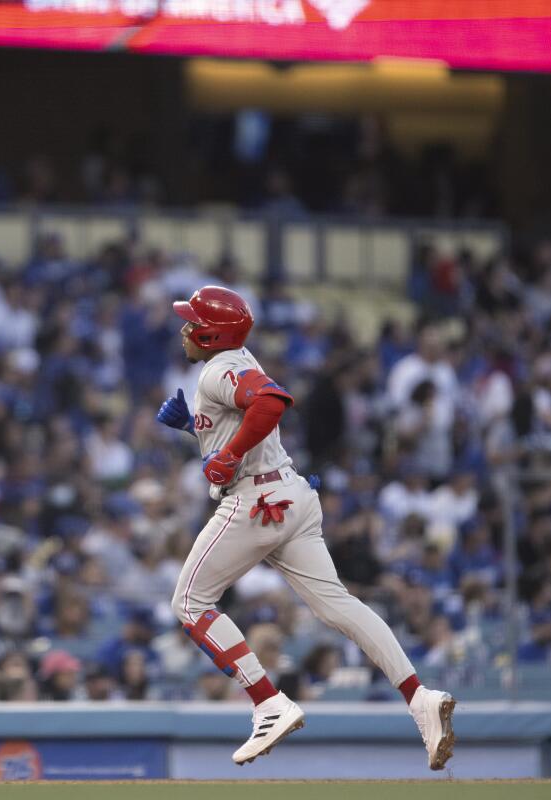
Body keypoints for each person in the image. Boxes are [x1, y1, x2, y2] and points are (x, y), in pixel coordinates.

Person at [155, 286, 455, 768]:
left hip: (255, 500)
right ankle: (419, 698)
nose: (185, 329)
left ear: (213, 333)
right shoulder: (234, 360)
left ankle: (268, 702)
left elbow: (272, 401)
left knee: (189, 602)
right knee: (338, 604)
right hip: (292, 494)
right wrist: (196, 429)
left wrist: (226, 454)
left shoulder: (216, 369)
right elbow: (250, 415)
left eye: (192, 322)